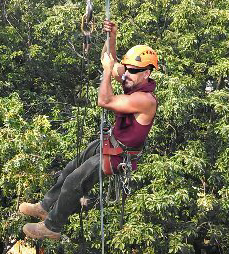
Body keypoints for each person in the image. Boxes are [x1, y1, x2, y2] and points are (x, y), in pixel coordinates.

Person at [20, 20, 159, 240]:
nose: (128, 73)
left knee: (74, 182)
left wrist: (106, 71)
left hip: (119, 155)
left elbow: (104, 99)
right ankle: (45, 206)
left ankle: (52, 227)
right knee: (69, 169)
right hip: (110, 142)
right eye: (129, 69)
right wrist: (112, 38)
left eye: (134, 71)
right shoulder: (134, 81)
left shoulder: (145, 99)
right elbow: (111, 64)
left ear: (147, 73)